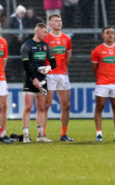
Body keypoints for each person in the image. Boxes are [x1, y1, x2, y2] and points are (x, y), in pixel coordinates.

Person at [21, 23, 57, 143]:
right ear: (37, 31)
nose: (46, 34)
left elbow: (54, 63)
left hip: (43, 80)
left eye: (47, 32)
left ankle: (40, 135)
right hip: (30, 80)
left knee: (41, 107)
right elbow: (26, 65)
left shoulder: (47, 46)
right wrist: (34, 79)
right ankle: (26, 135)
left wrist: (46, 69)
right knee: (28, 107)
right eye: (44, 32)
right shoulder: (27, 45)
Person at [92, 26, 115, 142]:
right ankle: (99, 134)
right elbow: (95, 68)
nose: (110, 35)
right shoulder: (97, 50)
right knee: (99, 107)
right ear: (103, 36)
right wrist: (102, 77)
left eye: (112, 33)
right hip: (102, 82)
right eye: (107, 33)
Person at [43, 14, 73, 142]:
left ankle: (63, 134)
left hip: (62, 74)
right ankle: (42, 133)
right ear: (50, 24)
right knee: (47, 104)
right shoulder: (46, 38)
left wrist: (63, 70)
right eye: (56, 21)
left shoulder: (66, 38)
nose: (59, 23)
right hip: (49, 74)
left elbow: (68, 57)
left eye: (60, 20)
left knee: (66, 105)